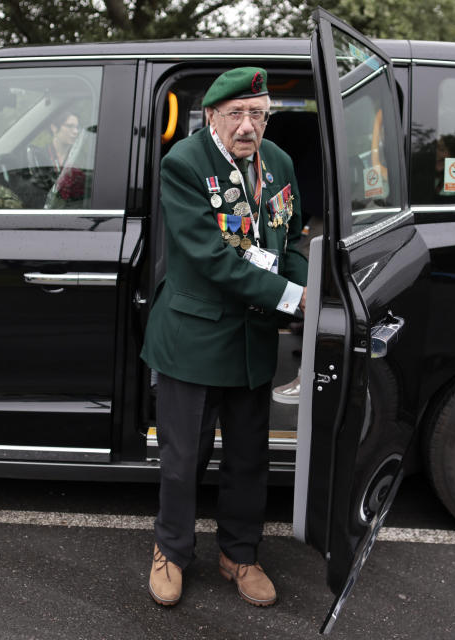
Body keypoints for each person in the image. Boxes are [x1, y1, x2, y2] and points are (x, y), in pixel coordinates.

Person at [140, 67, 308, 608]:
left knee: (247, 458)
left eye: (257, 113)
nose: (247, 125)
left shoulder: (278, 161)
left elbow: (292, 235)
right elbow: (213, 258)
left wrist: (304, 281)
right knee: (183, 459)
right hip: (194, 338)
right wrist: (290, 297)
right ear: (211, 115)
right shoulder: (184, 163)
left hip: (252, 339)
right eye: (235, 113)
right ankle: (172, 550)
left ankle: (240, 554)